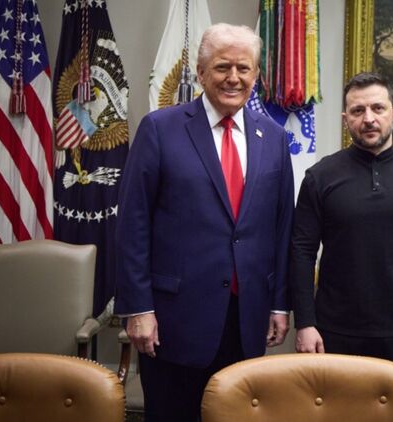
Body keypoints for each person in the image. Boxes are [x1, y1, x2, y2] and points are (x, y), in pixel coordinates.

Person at [115, 23, 294, 422]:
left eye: (244, 68)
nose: (234, 78)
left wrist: (280, 304)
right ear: (200, 72)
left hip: (246, 317)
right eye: (222, 67)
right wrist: (138, 308)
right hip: (174, 319)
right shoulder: (160, 129)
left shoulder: (274, 138)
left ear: (256, 75)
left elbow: (282, 228)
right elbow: (132, 224)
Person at [290, 72, 393, 372]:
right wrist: (305, 323)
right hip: (332, 330)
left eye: (378, 108)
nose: (368, 119)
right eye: (357, 110)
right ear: (345, 119)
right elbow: (301, 252)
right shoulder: (320, 177)